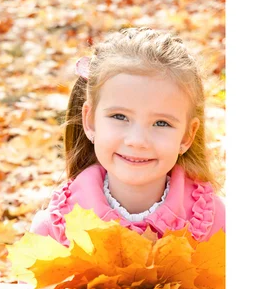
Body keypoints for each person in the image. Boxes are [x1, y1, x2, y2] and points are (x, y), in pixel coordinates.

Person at [32, 27, 224, 245]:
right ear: (90, 120)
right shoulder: (55, 229)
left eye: (161, 123)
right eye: (120, 117)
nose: (137, 140)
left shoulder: (217, 224)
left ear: (187, 136)